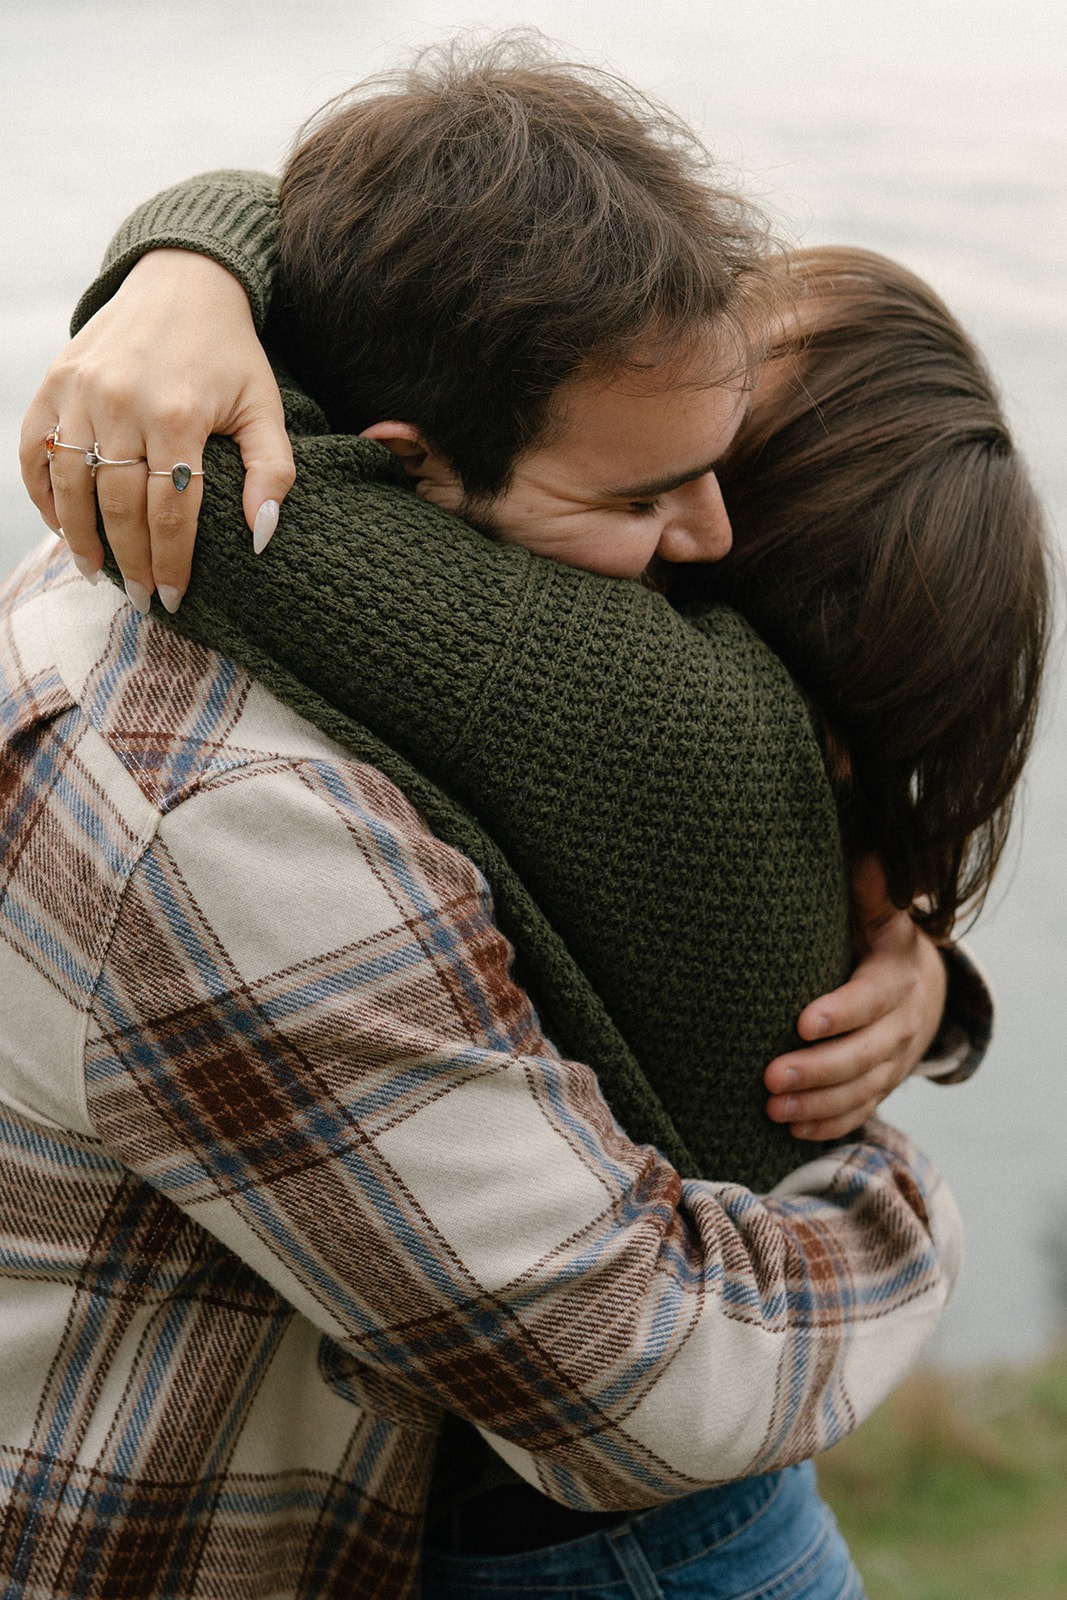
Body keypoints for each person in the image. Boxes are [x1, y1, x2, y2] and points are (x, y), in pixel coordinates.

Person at [4, 41, 969, 1600]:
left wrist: (189, 257)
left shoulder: (200, 507)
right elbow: (652, 1393)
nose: (710, 543)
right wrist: (891, 1191)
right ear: (414, 469)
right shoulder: (239, 829)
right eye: (645, 498)